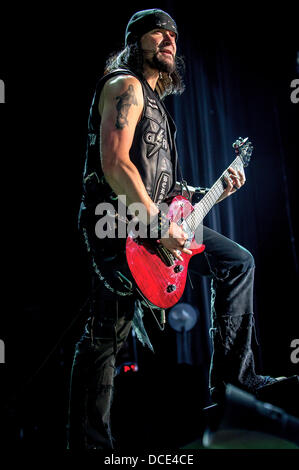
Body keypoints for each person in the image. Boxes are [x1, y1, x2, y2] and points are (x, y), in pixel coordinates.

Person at [67, 9, 283, 450]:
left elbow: (169, 188)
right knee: (108, 331)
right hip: (119, 222)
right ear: (136, 41)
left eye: (173, 35)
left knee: (238, 262)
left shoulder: (161, 110)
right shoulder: (124, 85)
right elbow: (115, 163)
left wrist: (216, 190)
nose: (168, 40)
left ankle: (232, 382)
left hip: (158, 224)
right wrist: (155, 222)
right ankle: (90, 447)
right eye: (157, 33)